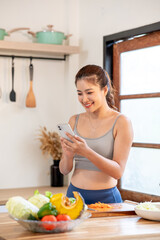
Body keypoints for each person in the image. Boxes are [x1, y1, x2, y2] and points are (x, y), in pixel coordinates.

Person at [59, 64, 133, 204]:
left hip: (107, 199)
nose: (84, 99)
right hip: (73, 197)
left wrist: (86, 151)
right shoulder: (74, 120)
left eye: (89, 92)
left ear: (104, 90)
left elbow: (118, 172)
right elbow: (64, 170)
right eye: (80, 93)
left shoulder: (121, 122)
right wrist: (68, 156)